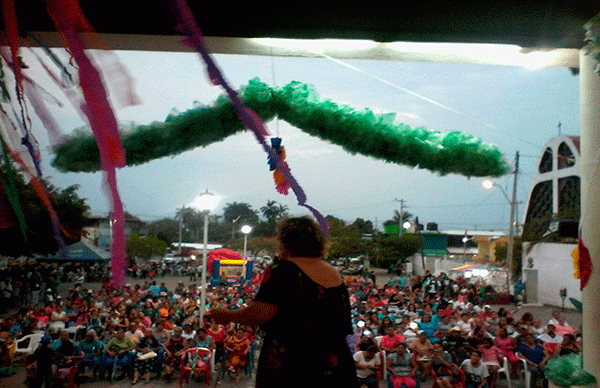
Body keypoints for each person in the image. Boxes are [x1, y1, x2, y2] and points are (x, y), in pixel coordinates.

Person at [206, 216, 358, 388]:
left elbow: (260, 314)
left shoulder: (282, 269)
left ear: (285, 242)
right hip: (335, 362)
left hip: (293, 362)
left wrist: (226, 315)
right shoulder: (333, 272)